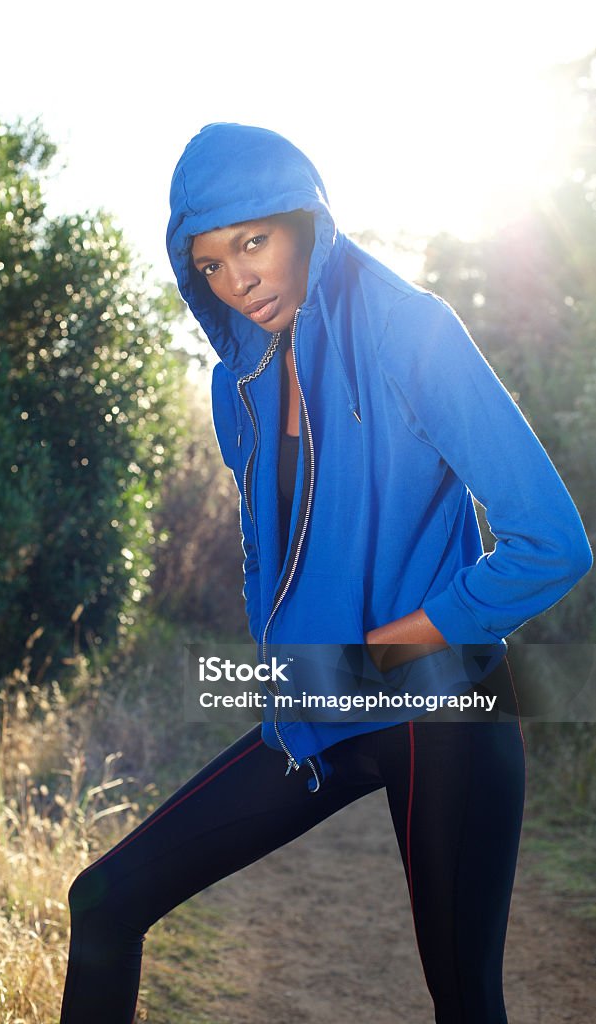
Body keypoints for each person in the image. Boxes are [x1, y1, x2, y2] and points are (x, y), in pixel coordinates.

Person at [60, 123, 592, 1023]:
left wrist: (410, 639)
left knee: (464, 1000)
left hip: (439, 703)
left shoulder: (410, 331)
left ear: (307, 221)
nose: (238, 279)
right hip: (319, 698)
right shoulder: (247, 376)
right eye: (212, 262)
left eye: (254, 242)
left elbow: (552, 540)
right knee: (104, 901)